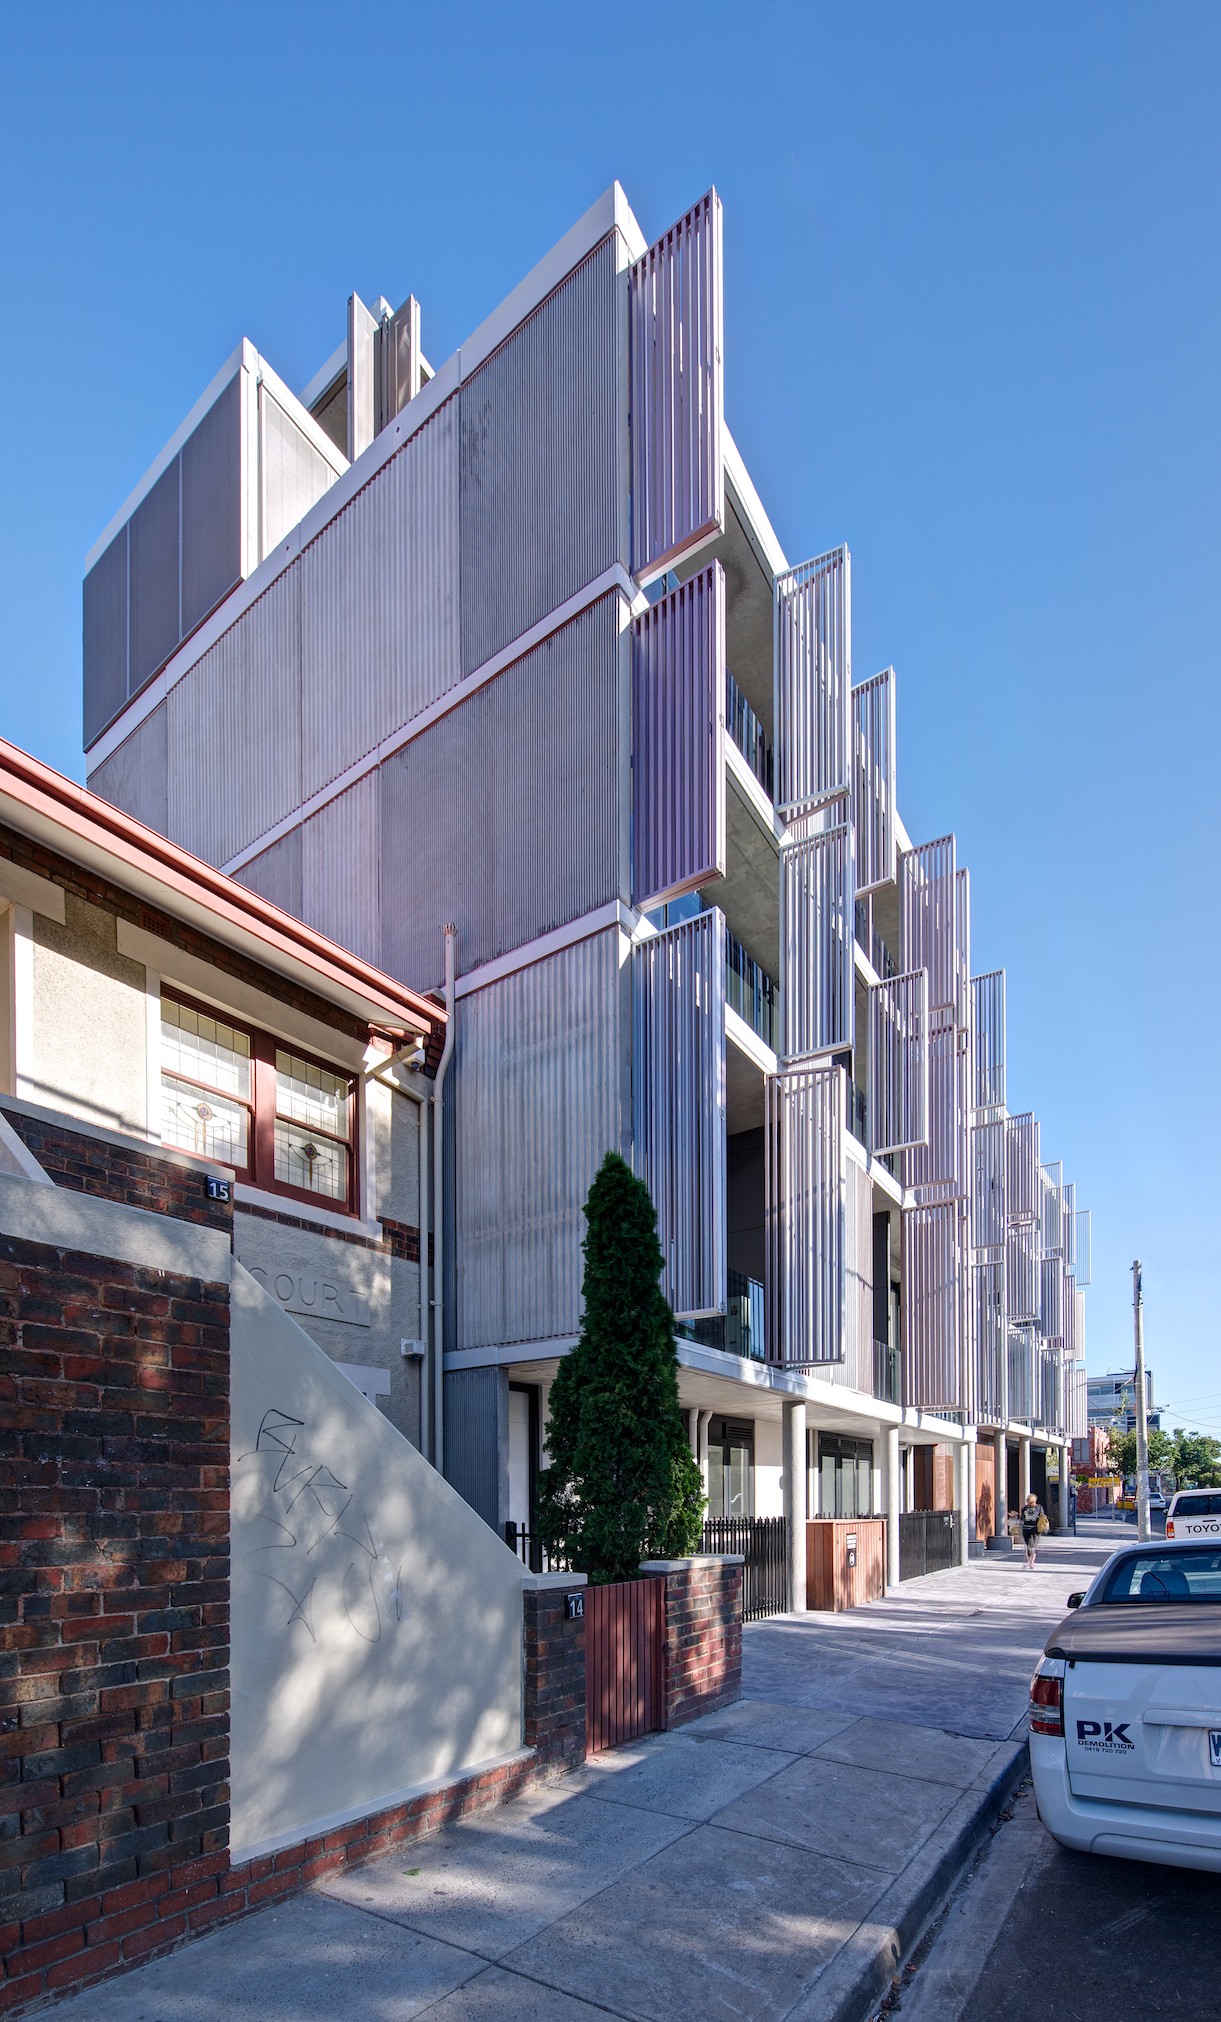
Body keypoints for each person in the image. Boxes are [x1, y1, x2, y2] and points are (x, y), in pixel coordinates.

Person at [1020, 1491, 1044, 1568]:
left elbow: (1022, 1519)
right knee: (1031, 1546)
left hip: (1030, 1529)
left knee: (1030, 1546)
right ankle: (1031, 1562)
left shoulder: (1025, 1508)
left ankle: (1030, 1562)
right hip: (1033, 1529)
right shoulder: (1039, 1508)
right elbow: (1042, 1516)